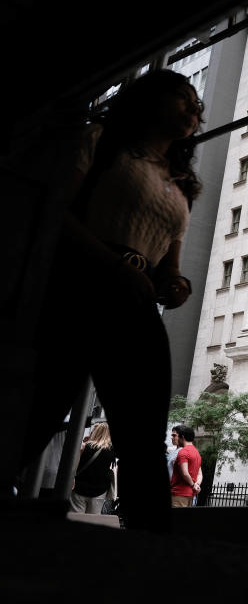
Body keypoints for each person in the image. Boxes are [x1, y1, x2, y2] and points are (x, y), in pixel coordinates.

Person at [19, 69, 203, 531]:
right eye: (182, 97)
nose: (193, 110)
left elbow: (169, 265)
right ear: (149, 99)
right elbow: (55, 209)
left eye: (196, 105)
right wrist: (114, 265)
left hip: (136, 302)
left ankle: (149, 537)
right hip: (77, 289)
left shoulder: (181, 185)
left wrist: (176, 285)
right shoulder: (101, 142)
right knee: (40, 406)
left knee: (142, 428)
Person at [70, 422, 116, 514]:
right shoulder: (112, 451)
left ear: (95, 432)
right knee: (92, 519)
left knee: (75, 518)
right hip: (99, 491)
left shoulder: (84, 447)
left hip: (79, 488)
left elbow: (74, 467)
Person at [167, 426, 203, 505]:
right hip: (190, 494)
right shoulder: (197, 453)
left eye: (176, 436)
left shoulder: (183, 452)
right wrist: (196, 485)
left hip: (178, 493)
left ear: (182, 437)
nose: (172, 438)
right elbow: (199, 474)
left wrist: (194, 485)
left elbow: (185, 473)